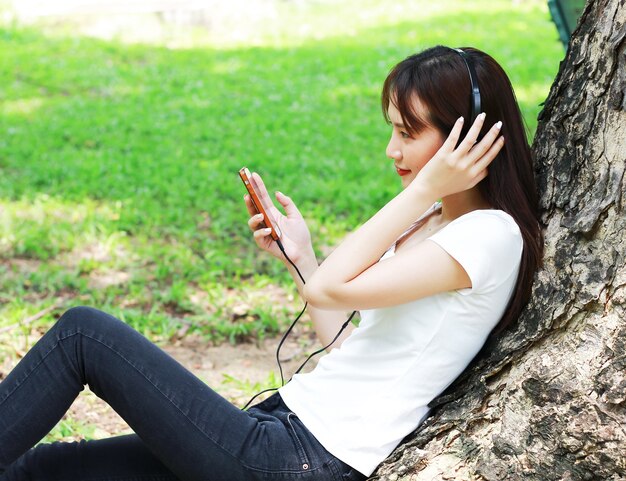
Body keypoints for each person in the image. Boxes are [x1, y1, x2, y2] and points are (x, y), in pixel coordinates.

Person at [0, 45, 543, 481]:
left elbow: (326, 290)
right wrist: (300, 256)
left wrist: (422, 188)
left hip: (298, 459)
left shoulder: (488, 236)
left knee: (84, 336)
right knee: (41, 468)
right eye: (391, 129)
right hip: (275, 427)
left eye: (407, 133)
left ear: (467, 137)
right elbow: (352, 341)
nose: (390, 150)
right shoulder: (430, 221)